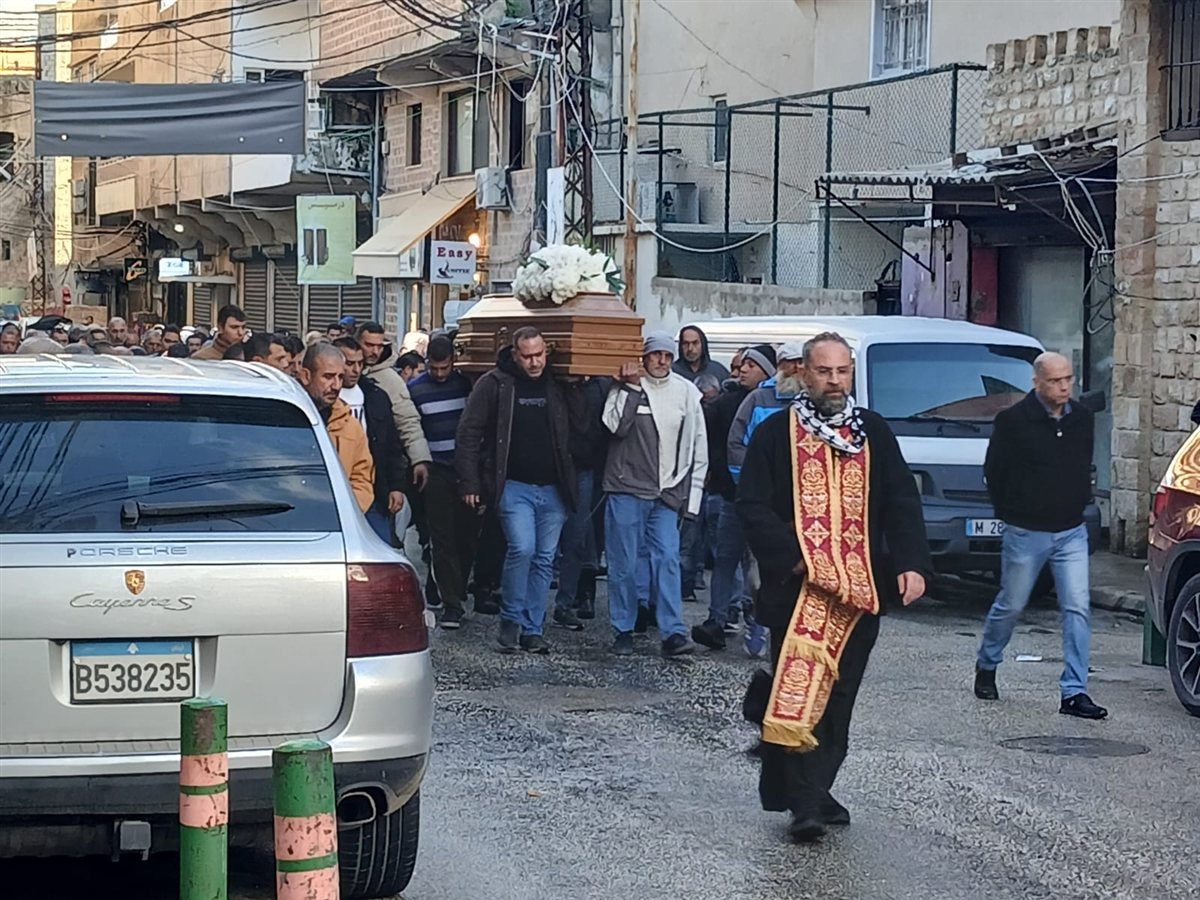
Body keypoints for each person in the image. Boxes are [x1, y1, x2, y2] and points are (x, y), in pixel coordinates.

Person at [737, 331, 930, 842]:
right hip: (797, 591)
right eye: (824, 371)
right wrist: (797, 558)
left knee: (839, 699)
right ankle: (805, 803)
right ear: (804, 373)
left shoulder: (873, 432)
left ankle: (814, 788)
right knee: (800, 691)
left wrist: (912, 563)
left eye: (842, 371)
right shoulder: (776, 433)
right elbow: (751, 505)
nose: (834, 381)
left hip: (860, 593)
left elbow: (901, 500)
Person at [974, 352, 1106, 720]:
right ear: (1037, 383)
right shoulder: (1013, 421)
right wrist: (1012, 512)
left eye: (1068, 379)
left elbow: (1082, 462)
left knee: (1077, 607)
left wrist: (1080, 498)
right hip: (1026, 530)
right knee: (1012, 603)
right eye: (1055, 381)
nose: (1064, 387)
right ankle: (987, 662)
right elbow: (995, 472)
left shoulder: (1081, 418)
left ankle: (1074, 691)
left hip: (1071, 530)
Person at [456, 326, 579, 654]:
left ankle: (532, 629)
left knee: (544, 558)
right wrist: (470, 481)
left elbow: (583, 425)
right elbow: (469, 432)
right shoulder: (495, 383)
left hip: (554, 487)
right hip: (512, 484)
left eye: (539, 355)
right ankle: (511, 620)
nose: (534, 362)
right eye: (527, 356)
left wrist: (580, 385)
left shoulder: (557, 384)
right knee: (522, 548)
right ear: (515, 354)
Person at [603, 331, 708, 658]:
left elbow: (697, 447)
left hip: (665, 492)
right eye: (655, 354)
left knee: (667, 560)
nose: (662, 361)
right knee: (623, 563)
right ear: (644, 357)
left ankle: (673, 632)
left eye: (667, 355)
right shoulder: (625, 386)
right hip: (627, 489)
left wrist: (691, 500)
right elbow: (615, 426)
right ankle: (623, 628)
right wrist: (631, 388)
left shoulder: (686, 391)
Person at [691, 343, 777, 651]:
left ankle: (756, 619)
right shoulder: (727, 402)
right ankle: (717, 619)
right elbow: (723, 444)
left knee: (758, 565)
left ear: (767, 371)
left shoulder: (774, 402)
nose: (742, 371)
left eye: (751, 366)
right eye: (741, 366)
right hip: (730, 495)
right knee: (725, 559)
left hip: (765, 503)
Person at [407, 335, 481, 628]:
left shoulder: (466, 386)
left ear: (454, 362)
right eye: (434, 368)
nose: (439, 374)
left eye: (445, 368)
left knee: (467, 536)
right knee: (442, 538)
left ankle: (450, 587)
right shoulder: (415, 390)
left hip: (465, 470)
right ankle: (452, 604)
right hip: (435, 471)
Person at [334, 337, 408, 543]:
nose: (355, 370)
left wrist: (396, 486)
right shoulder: (325, 398)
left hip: (374, 489)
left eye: (360, 363)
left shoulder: (376, 396)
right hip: (335, 486)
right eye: (349, 364)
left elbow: (392, 445)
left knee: (380, 545)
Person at [552, 374, 609, 628]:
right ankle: (530, 612)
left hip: (585, 466)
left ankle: (568, 601)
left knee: (578, 538)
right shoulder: (552, 381)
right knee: (542, 545)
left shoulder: (601, 385)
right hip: (552, 467)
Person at [298, 343, 374, 514]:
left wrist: (343, 513)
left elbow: (362, 480)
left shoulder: (350, 426)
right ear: (306, 376)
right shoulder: (286, 419)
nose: (336, 385)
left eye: (340, 377)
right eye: (328, 376)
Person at [356, 322, 432, 493]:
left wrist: (419, 458)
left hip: (380, 467)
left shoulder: (391, 380)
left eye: (379, 346)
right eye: (369, 345)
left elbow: (408, 421)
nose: (375, 351)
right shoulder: (341, 374)